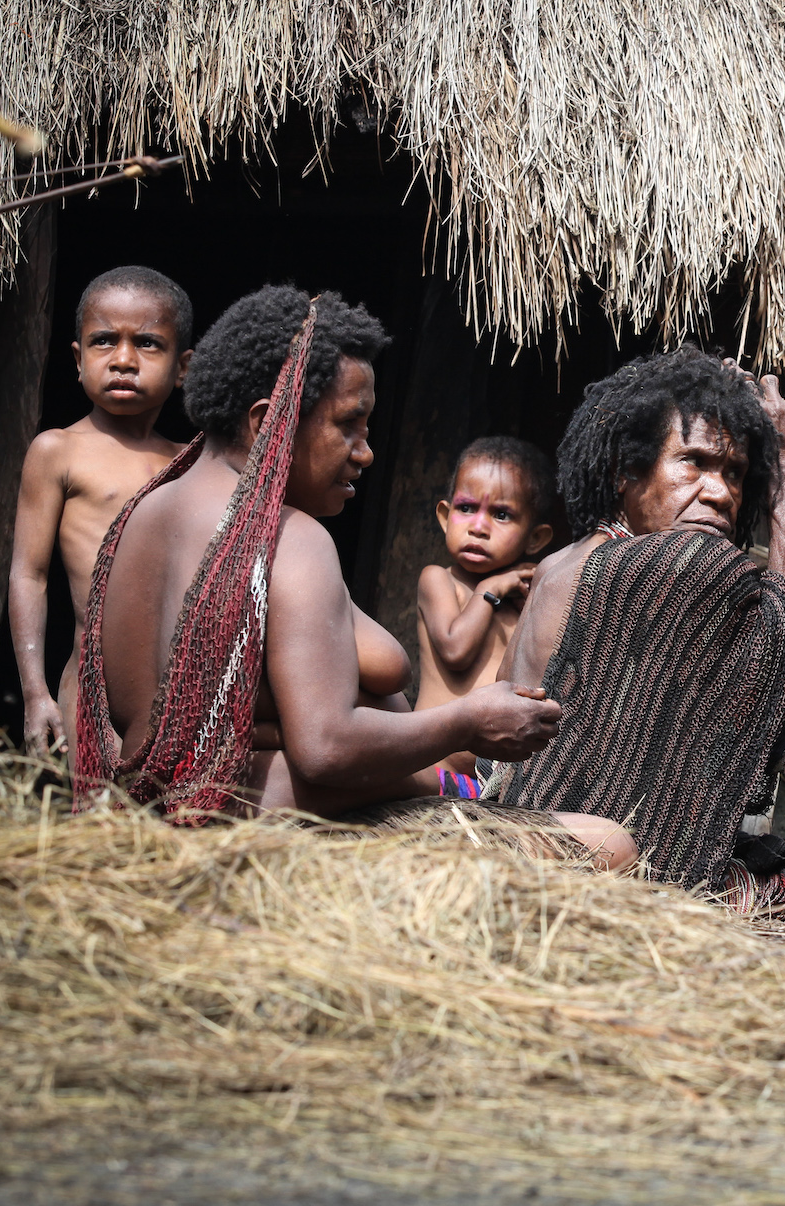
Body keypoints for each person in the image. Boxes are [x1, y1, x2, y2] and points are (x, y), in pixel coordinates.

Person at [72, 284, 632, 869]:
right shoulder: (290, 538)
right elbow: (324, 748)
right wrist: (466, 721)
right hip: (276, 830)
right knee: (608, 845)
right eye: (349, 425)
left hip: (171, 821)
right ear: (268, 423)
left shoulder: (138, 519)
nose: (364, 453)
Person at [485, 348, 785, 891]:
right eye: (695, 462)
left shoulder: (560, 562)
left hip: (530, 822)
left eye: (736, 472)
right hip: (584, 852)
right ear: (625, 472)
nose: (721, 492)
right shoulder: (659, 569)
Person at [9, 266, 193, 759]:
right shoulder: (58, 450)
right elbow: (30, 574)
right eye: (104, 341)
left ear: (183, 367)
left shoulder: (193, 460)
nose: (124, 360)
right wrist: (34, 692)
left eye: (149, 343)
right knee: (99, 819)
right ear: (77, 359)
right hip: (93, 688)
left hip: (185, 688)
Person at [415, 437, 556, 788]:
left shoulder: (519, 601)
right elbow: (455, 650)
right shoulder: (438, 581)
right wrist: (489, 589)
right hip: (432, 768)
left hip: (491, 782)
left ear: (535, 539)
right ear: (445, 517)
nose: (478, 526)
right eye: (466, 508)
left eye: (501, 515)